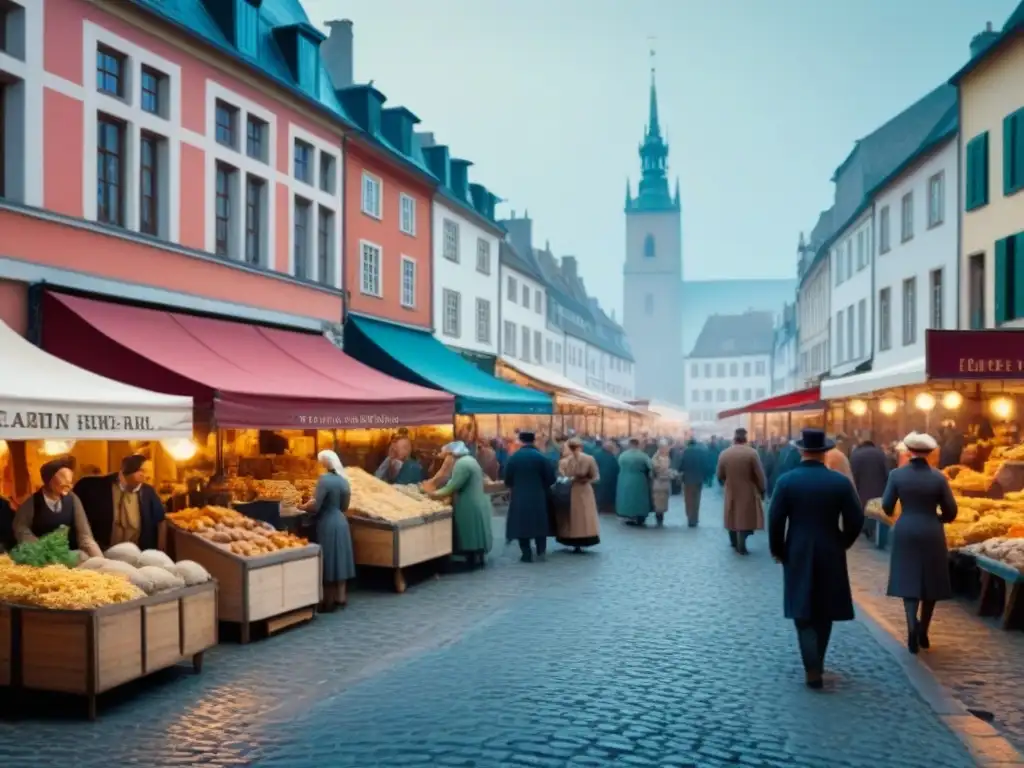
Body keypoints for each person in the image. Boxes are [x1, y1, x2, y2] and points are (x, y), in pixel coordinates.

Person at [768, 428, 864, 688]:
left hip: (797, 548)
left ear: (801, 450)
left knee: (802, 605)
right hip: (831, 546)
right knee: (825, 606)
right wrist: (844, 541)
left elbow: (775, 521)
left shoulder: (786, 482)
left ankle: (811, 666)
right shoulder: (839, 482)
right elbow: (856, 519)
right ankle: (818, 661)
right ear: (825, 452)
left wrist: (778, 550)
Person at [881, 431, 958, 654]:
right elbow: (951, 510)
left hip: (905, 529)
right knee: (931, 581)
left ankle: (911, 625)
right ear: (930, 453)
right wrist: (939, 519)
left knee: (908, 579)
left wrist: (901, 513)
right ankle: (923, 629)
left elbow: (887, 506)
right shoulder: (938, 477)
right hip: (931, 529)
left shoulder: (896, 475)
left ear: (909, 451)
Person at [298, 450, 355, 611]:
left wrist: (301, 506)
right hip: (341, 522)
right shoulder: (344, 481)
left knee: (329, 559)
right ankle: (341, 597)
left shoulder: (323, 480)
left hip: (328, 523)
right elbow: (345, 506)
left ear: (324, 464)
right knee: (341, 559)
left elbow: (315, 505)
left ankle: (327, 599)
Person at [14, 458, 102, 559]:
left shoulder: (72, 499)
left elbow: (85, 536)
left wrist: (100, 560)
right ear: (49, 480)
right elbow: (21, 530)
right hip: (41, 557)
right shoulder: (33, 503)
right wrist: (42, 550)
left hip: (69, 555)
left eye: (70, 480)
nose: (68, 484)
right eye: (63, 478)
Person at [73, 454, 165, 551]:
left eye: (148, 472)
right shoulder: (93, 487)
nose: (147, 476)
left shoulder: (148, 493)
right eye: (142, 471)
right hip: (102, 551)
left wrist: (161, 549)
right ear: (128, 469)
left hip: (137, 553)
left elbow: (161, 520)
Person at [428, 441, 493, 568]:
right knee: (477, 532)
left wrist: (433, 494)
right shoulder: (470, 460)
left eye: (447, 455)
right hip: (477, 501)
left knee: (470, 532)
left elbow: (453, 485)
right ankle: (478, 557)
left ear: (452, 454)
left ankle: (472, 560)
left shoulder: (462, 464)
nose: (446, 459)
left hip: (469, 504)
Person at [503, 431, 555, 562]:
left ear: (521, 441)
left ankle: (526, 553)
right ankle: (541, 551)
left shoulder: (514, 458)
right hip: (538, 496)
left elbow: (507, 479)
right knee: (540, 524)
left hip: (519, 496)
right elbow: (551, 478)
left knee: (522, 524)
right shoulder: (541, 458)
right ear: (533, 441)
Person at [717, 427, 766, 555]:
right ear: (745, 438)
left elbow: (720, 474)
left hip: (731, 489)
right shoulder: (752, 453)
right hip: (748, 490)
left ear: (734, 438)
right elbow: (759, 475)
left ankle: (734, 540)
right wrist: (762, 489)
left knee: (732, 515)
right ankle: (741, 541)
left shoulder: (725, 453)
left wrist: (726, 482)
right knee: (744, 517)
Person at [556, 437, 601, 552]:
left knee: (572, 515)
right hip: (584, 490)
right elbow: (596, 477)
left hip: (570, 489)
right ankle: (584, 537)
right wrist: (586, 480)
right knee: (584, 516)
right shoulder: (589, 459)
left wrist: (570, 479)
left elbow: (561, 476)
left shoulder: (564, 461)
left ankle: (572, 538)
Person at [850, 437, 890, 540]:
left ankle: (865, 528)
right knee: (876, 508)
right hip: (879, 488)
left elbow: (853, 474)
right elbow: (887, 472)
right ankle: (874, 530)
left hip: (861, 489)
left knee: (863, 506)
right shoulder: (880, 454)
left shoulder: (856, 455)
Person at [616, 438, 654, 525]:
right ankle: (639, 515)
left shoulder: (623, 455)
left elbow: (619, 464)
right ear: (638, 445)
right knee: (639, 498)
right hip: (639, 479)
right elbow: (651, 466)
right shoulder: (642, 455)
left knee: (626, 497)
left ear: (630, 445)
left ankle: (628, 515)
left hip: (624, 478)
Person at [677, 436, 709, 527]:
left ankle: (690, 519)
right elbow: (705, 465)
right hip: (699, 479)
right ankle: (695, 518)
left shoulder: (685, 452)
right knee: (696, 500)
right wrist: (705, 477)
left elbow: (681, 466)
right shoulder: (702, 452)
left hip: (688, 480)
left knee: (689, 500)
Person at [592, 439, 620, 515]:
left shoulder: (597, 454)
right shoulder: (613, 455)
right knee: (604, 494)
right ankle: (605, 507)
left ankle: (601, 507)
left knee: (600, 494)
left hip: (601, 478)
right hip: (608, 478)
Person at [651, 439, 674, 526]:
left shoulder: (666, 457)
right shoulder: (656, 457)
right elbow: (656, 468)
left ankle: (661, 518)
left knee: (663, 502)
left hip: (665, 484)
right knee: (658, 503)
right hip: (659, 483)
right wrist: (666, 472)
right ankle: (659, 519)